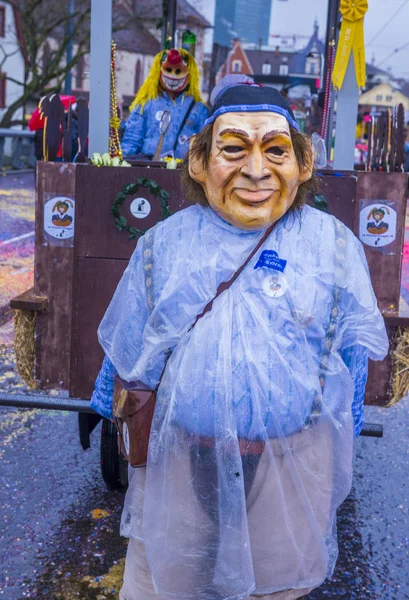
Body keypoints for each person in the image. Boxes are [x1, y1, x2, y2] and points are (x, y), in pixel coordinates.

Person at [91, 84, 388, 600]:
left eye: (275, 150)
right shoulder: (162, 245)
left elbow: (350, 366)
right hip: (179, 455)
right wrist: (123, 436)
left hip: (291, 456)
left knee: (274, 586)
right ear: (201, 160)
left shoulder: (334, 247)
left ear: (303, 162)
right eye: (233, 148)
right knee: (169, 582)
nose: (256, 170)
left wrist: (334, 451)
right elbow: (126, 358)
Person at [121, 48, 208, 160]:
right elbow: (132, 139)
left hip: (184, 171)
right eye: (168, 70)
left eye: (178, 71)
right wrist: (124, 164)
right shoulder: (146, 103)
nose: (173, 77)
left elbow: (204, 144)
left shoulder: (198, 108)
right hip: (150, 169)